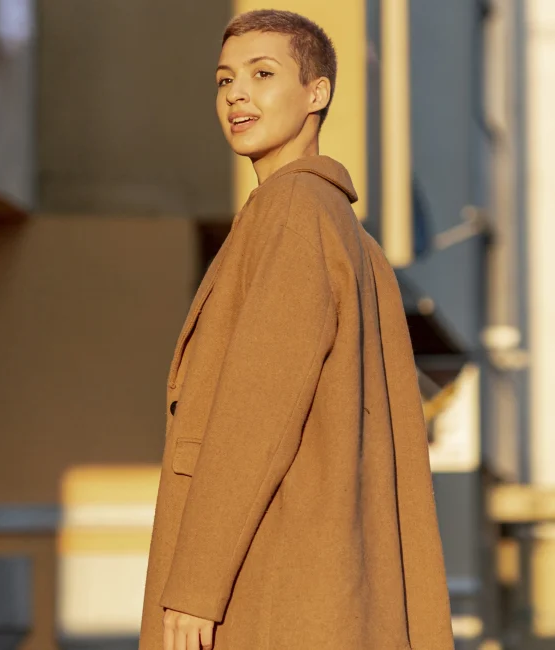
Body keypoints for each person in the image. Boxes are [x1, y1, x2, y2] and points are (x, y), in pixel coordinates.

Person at [138, 9, 454, 650]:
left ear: (318, 93)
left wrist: (196, 586)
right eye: (224, 80)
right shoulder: (346, 234)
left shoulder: (291, 212)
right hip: (322, 581)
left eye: (262, 73)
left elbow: (254, 414)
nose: (237, 95)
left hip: (269, 584)